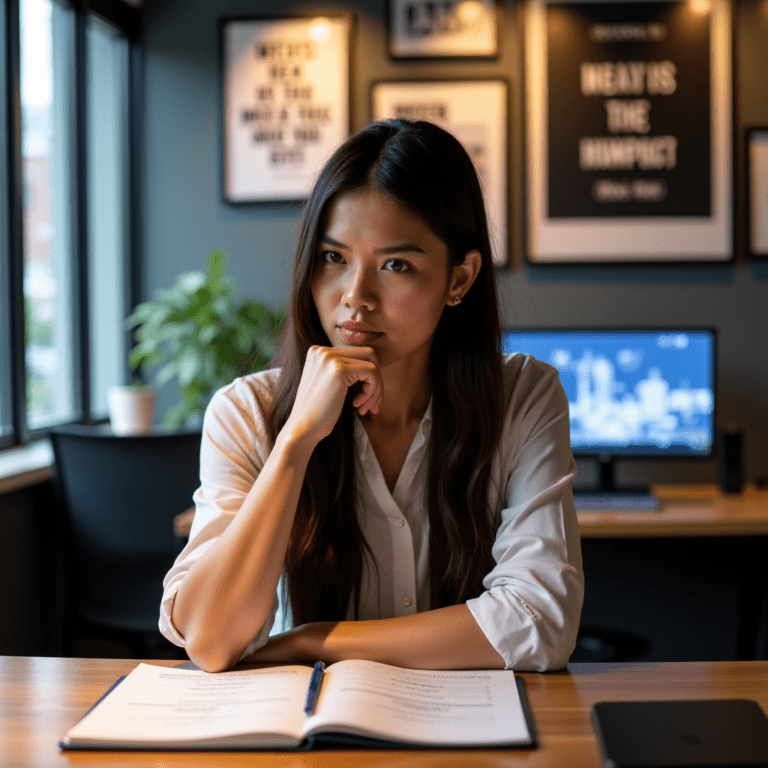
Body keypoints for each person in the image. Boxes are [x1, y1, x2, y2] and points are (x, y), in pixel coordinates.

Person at [160, 118, 584, 673]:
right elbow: (212, 642)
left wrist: (314, 642)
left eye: (395, 265)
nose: (354, 298)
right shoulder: (247, 412)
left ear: (459, 279)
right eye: (334, 258)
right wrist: (295, 442)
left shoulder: (523, 397)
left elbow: (539, 620)